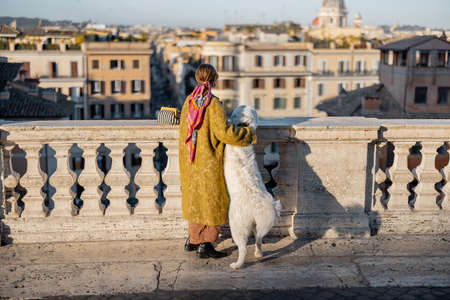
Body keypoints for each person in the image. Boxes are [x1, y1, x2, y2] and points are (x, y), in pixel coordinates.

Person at [178, 64, 256, 259]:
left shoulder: (189, 101)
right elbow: (224, 133)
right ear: (214, 80)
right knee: (213, 202)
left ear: (197, 78)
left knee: (196, 201)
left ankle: (194, 239)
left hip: (190, 161)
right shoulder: (212, 104)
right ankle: (206, 244)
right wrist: (248, 133)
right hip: (208, 162)